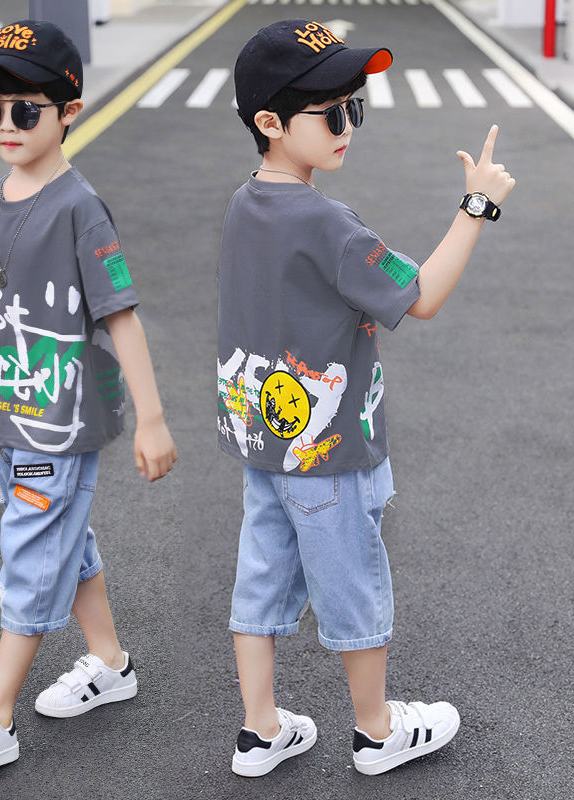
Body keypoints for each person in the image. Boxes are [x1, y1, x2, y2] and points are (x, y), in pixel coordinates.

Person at [217, 19, 514, 778]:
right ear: (270, 122)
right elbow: (422, 296)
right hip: (330, 449)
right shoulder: (330, 225)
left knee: (261, 580)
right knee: (353, 582)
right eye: (332, 113)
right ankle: (377, 731)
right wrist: (476, 206)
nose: (349, 125)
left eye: (356, 106)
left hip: (265, 443)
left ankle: (260, 730)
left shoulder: (245, 204)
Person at [0, 20, 177, 778]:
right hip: (2, 417)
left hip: (58, 426)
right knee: (62, 539)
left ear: (70, 110)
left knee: (31, 553)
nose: (5, 125)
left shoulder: (81, 209)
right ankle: (109, 663)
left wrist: (151, 418)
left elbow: (120, 316)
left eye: (24, 109)